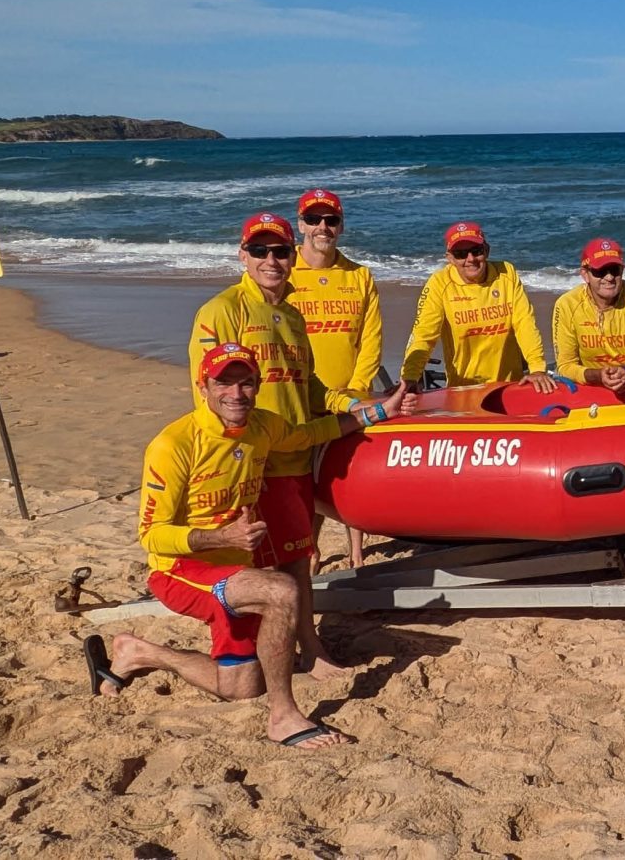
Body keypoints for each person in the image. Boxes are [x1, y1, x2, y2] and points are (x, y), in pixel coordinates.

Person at [83, 343, 411, 748]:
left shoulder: (262, 427)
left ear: (257, 387)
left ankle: (138, 651)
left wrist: (380, 411)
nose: (235, 394)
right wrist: (220, 538)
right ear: (203, 387)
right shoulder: (174, 445)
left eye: (245, 383)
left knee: (240, 688)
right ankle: (284, 716)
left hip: (237, 573)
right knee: (282, 589)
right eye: (224, 383)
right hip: (180, 570)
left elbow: (313, 432)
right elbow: (151, 534)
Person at [188, 213, 356, 677]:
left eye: (280, 251)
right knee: (261, 570)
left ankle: (307, 648)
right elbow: (207, 393)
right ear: (242, 255)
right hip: (253, 464)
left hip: (294, 456)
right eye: (259, 250)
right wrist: (229, 460)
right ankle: (275, 654)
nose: (271, 259)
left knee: (298, 559)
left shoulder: (294, 314)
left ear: (292, 256)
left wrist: (358, 407)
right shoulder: (222, 310)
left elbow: (309, 385)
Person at [288, 188, 381, 570]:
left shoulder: (359, 276)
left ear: (341, 226)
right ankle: (309, 549)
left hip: (351, 396)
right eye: (314, 219)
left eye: (331, 220)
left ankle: (357, 553)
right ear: (300, 225)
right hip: (300, 398)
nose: (322, 227)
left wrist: (356, 390)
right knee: (302, 481)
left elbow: (371, 339)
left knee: (348, 477)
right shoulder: (283, 270)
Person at [401, 221, 554, 394]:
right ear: (449, 258)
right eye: (460, 254)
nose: (470, 259)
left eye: (476, 251)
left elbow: (525, 324)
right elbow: (424, 335)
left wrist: (537, 368)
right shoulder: (439, 284)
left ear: (486, 251)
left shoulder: (506, 274)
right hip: (463, 389)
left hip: (510, 386)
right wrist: (410, 378)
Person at [552, 237, 625, 393]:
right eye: (600, 271)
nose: (609, 277)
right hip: (590, 387)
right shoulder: (566, 305)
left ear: (622, 271)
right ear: (585, 274)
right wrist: (599, 376)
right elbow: (565, 366)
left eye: (614, 270)